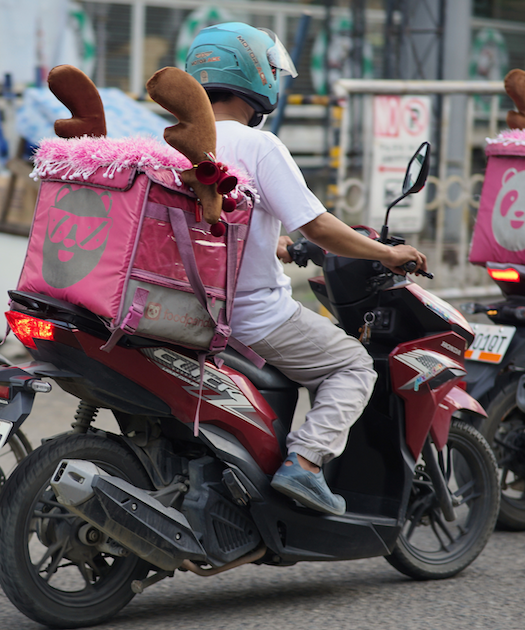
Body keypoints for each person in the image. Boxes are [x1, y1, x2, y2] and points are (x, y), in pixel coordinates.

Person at [185, 23, 428, 516]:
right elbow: (317, 226)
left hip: (183, 309)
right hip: (252, 317)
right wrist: (385, 253)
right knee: (353, 364)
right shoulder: (260, 146)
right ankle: (306, 463)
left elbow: (205, 219)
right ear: (256, 75)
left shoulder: (176, 141)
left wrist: (267, 243)